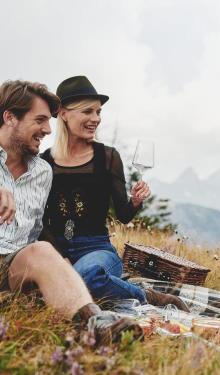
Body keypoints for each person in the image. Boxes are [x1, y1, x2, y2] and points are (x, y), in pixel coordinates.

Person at [0, 79, 143, 345]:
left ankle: (96, 326)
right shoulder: (48, 161)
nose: (47, 128)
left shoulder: (41, 170)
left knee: (55, 262)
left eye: (98, 112)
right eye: (41, 120)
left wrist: (56, 263)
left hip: (50, 255)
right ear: (10, 117)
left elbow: (38, 229)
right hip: (50, 252)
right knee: (67, 273)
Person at [40, 76, 187, 311]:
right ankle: (111, 287)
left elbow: (124, 216)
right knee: (46, 287)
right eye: (87, 111)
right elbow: (40, 219)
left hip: (97, 249)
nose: (96, 119)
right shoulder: (45, 161)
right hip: (56, 249)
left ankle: (147, 296)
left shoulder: (107, 157)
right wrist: (59, 258)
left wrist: (136, 201)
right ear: (64, 114)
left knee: (82, 277)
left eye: (98, 112)